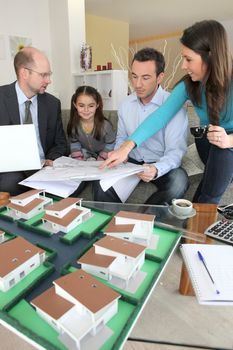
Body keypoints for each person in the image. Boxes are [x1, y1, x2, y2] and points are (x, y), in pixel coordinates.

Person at [102, 20, 233, 204]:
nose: (183, 66)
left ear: (210, 56)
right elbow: (160, 116)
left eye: (188, 59)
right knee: (211, 143)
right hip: (210, 143)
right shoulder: (189, 84)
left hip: (227, 145)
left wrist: (228, 140)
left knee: (221, 154)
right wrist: (126, 147)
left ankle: (198, 215)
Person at [94, 48, 189, 204]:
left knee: (179, 181)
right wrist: (120, 154)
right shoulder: (125, 104)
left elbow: (175, 152)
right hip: (131, 161)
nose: (137, 84)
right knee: (101, 182)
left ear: (160, 77)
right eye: (134, 76)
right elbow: (122, 138)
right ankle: (110, 226)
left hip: (160, 162)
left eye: (145, 78)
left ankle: (142, 221)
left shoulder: (174, 106)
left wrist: (156, 169)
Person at [0, 47, 68, 196]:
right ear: (24, 73)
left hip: (43, 167)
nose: (49, 80)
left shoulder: (52, 103)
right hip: (10, 170)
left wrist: (51, 160)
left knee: (75, 183)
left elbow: (60, 143)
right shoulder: (1, 98)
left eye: (49, 75)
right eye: (43, 75)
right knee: (10, 182)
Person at [67, 85, 116, 194]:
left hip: (103, 157)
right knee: (73, 176)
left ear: (97, 105)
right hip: (85, 156)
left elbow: (110, 144)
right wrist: (79, 161)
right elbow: (74, 143)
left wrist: (100, 161)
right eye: (81, 105)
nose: (86, 110)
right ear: (75, 105)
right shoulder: (74, 124)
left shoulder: (105, 125)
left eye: (91, 106)